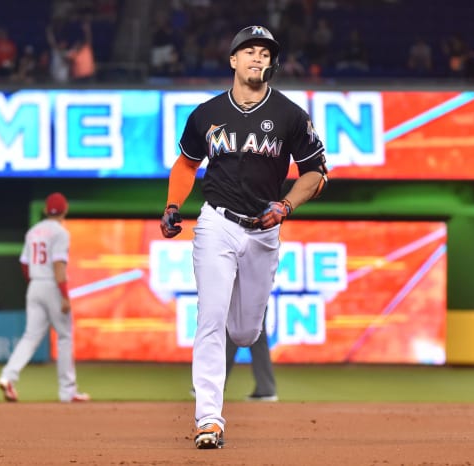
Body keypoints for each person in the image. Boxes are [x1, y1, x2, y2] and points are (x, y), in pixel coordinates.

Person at [159, 25, 328, 449]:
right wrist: (173, 206)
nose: (257, 58)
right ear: (233, 60)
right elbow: (186, 164)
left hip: (264, 230)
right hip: (216, 221)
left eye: (264, 53)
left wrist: (286, 206)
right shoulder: (206, 113)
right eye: (249, 51)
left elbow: (316, 173)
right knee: (211, 319)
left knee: (245, 332)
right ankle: (209, 419)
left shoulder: (290, 115)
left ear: (271, 64)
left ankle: (240, 340)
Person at [0, 192, 90, 403]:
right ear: (65, 210)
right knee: (65, 336)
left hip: (35, 284)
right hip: (52, 285)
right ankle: (68, 391)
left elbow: (24, 263)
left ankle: (7, 376)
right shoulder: (61, 233)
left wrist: (33, 282)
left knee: (30, 337)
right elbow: (59, 265)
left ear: (45, 211)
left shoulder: (32, 232)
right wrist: (64, 296)